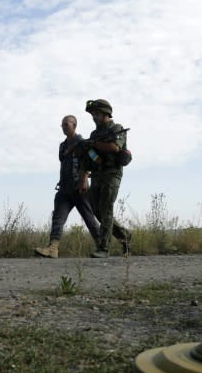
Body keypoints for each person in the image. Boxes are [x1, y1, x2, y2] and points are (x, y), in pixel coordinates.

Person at [35, 115, 100, 259]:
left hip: (80, 188)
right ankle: (53, 248)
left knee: (89, 219)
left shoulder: (83, 143)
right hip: (64, 189)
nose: (63, 127)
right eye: (62, 125)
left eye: (66, 124)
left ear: (74, 125)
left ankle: (102, 247)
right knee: (58, 217)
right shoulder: (63, 146)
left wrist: (84, 178)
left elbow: (95, 160)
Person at [80, 99, 131, 258]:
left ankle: (103, 248)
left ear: (106, 113)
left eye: (96, 113)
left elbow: (115, 147)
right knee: (97, 210)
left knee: (106, 209)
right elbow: (90, 156)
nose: (94, 117)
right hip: (97, 174)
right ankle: (124, 235)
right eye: (93, 114)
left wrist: (93, 144)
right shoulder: (94, 134)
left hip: (112, 173)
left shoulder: (117, 129)